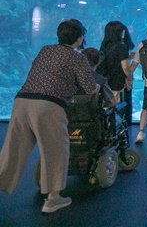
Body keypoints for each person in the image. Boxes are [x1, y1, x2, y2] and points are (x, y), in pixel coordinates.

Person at [0, 19, 99, 213]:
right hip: (49, 105)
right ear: (79, 39)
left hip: (22, 101)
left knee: (12, 149)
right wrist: (97, 87)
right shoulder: (78, 57)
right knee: (56, 150)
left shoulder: (45, 50)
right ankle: (53, 199)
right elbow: (88, 88)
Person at [96, 21, 134, 103]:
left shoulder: (104, 46)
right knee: (116, 108)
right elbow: (125, 67)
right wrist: (130, 79)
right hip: (116, 83)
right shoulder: (121, 47)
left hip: (105, 82)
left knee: (106, 108)